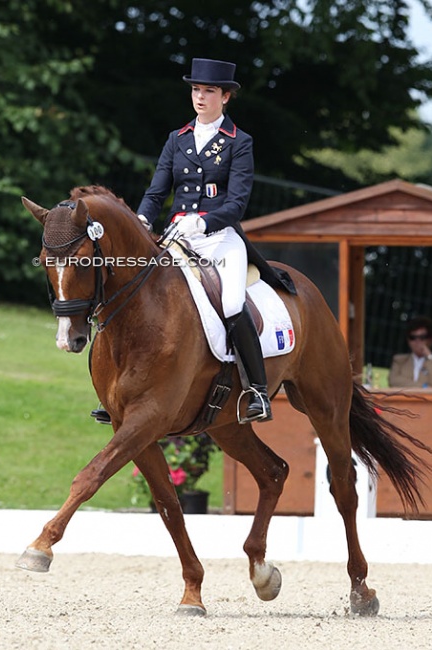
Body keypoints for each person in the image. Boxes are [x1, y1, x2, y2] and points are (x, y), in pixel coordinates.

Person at [136, 58, 295, 422]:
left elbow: (237, 204)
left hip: (220, 238)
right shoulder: (176, 140)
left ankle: (257, 390)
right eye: (196, 90)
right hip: (177, 236)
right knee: (143, 293)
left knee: (231, 303)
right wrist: (143, 217)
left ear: (225, 97)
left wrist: (203, 221)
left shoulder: (239, 143)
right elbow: (157, 190)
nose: (200, 97)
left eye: (209, 91)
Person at [388, 316, 432, 388]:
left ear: (431, 340)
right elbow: (393, 381)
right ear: (408, 340)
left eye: (422, 337)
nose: (417, 341)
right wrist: (425, 387)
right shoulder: (399, 360)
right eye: (413, 337)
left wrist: (429, 356)